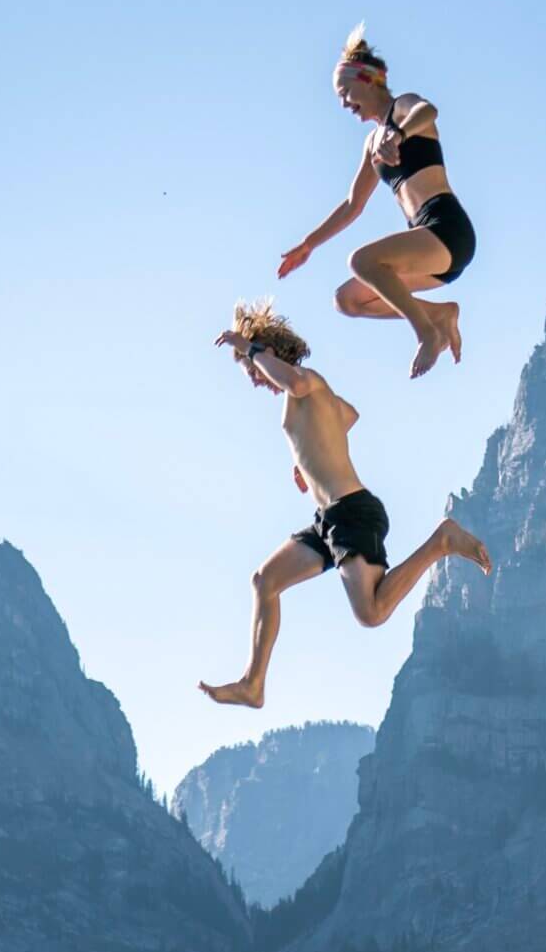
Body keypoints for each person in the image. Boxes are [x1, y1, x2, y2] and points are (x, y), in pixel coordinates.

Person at [200, 301, 491, 708]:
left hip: (353, 511)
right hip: (327, 520)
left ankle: (441, 541)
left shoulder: (304, 382)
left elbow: (301, 386)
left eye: (252, 371)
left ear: (267, 355)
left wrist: (249, 348)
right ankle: (253, 684)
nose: (253, 380)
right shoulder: (308, 397)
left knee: (370, 613)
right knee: (264, 582)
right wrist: (308, 459)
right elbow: (348, 415)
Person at [277, 27, 476, 381]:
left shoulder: (403, 109)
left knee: (362, 261)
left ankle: (426, 333)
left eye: (345, 92)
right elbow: (353, 204)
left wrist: (398, 133)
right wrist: (308, 244)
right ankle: (440, 315)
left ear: (367, 80)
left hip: (446, 229)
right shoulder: (372, 144)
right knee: (347, 300)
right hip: (429, 251)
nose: (343, 103)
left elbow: (429, 111)